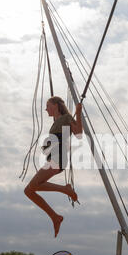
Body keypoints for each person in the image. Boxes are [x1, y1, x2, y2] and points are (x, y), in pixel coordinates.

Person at [24, 96, 83, 238]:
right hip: (53, 158)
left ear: (56, 105)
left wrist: (78, 113)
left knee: (32, 188)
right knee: (29, 191)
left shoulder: (67, 118)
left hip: (58, 158)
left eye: (48, 105)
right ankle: (55, 217)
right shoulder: (56, 121)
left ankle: (65, 190)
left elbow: (79, 134)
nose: (46, 109)